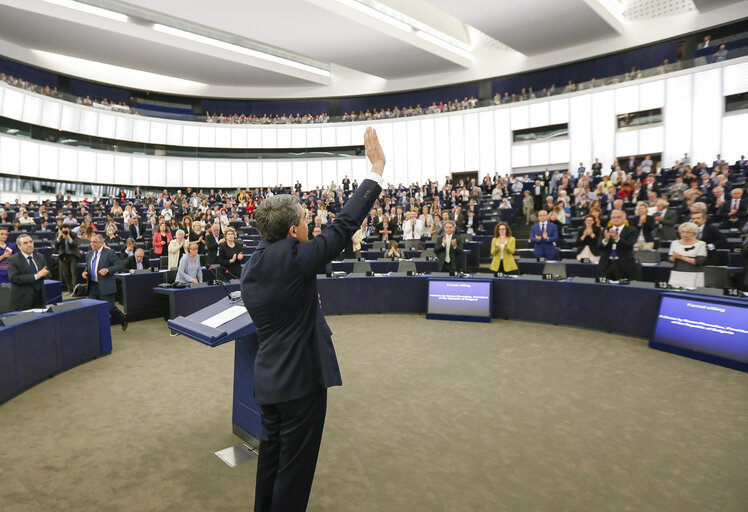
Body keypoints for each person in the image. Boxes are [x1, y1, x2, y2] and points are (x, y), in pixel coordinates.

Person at [240, 127, 384, 512]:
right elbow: (344, 226)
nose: (311, 225)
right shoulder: (295, 259)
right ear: (292, 231)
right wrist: (376, 170)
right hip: (301, 387)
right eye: (305, 220)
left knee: (270, 464)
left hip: (269, 384)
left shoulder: (251, 266)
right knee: (294, 472)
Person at [82, 234, 127, 330]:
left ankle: (122, 318)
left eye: (95, 242)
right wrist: (85, 272)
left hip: (106, 285)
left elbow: (119, 265)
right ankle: (98, 329)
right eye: (91, 242)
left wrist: (108, 270)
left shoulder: (110, 253)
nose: (92, 244)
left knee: (109, 308)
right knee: (93, 308)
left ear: (102, 243)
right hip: (93, 286)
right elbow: (88, 266)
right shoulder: (89, 253)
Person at [7, 234, 49, 310]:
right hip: (23, 299)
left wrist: (45, 274)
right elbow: (14, 278)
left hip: (39, 298)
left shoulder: (40, 256)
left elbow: (47, 273)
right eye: (25, 243)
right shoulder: (13, 259)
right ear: (19, 246)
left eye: (31, 242)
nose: (29, 245)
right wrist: (36, 276)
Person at [597, 209, 638, 281]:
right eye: (613, 217)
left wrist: (616, 238)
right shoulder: (605, 230)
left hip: (623, 265)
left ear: (624, 218)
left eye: (618, 217)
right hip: (606, 264)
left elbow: (629, 246)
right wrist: (605, 240)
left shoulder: (631, 230)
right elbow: (599, 247)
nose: (616, 219)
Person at [668, 222, 707, 288]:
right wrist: (673, 257)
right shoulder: (674, 243)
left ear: (694, 233)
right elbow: (670, 259)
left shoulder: (701, 244)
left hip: (693, 274)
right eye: (682, 232)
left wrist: (682, 257)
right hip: (677, 273)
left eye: (688, 232)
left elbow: (699, 261)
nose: (685, 234)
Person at [54, 225, 81, 293]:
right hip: (64, 255)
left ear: (69, 229)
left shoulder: (73, 234)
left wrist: (69, 238)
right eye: (64, 230)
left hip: (72, 255)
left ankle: (75, 289)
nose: (65, 231)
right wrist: (59, 237)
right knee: (65, 273)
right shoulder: (58, 234)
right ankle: (70, 288)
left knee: (73, 272)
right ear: (61, 230)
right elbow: (56, 245)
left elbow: (76, 244)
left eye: (67, 230)